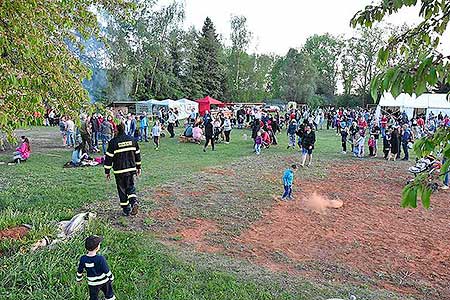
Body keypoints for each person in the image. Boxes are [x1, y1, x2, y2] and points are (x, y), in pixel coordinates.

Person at [104, 123, 142, 216]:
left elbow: (108, 158)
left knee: (122, 189)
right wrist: (138, 167)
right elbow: (137, 154)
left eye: (114, 129)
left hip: (119, 171)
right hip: (131, 169)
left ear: (117, 130)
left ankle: (126, 209)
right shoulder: (132, 140)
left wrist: (107, 171)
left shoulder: (113, 142)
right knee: (130, 186)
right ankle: (133, 202)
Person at [76, 235, 115, 300]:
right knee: (109, 293)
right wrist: (111, 277)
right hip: (104, 281)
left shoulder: (83, 259)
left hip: (92, 283)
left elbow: (80, 271)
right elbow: (106, 270)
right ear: (97, 248)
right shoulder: (100, 258)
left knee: (93, 297)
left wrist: (79, 279)